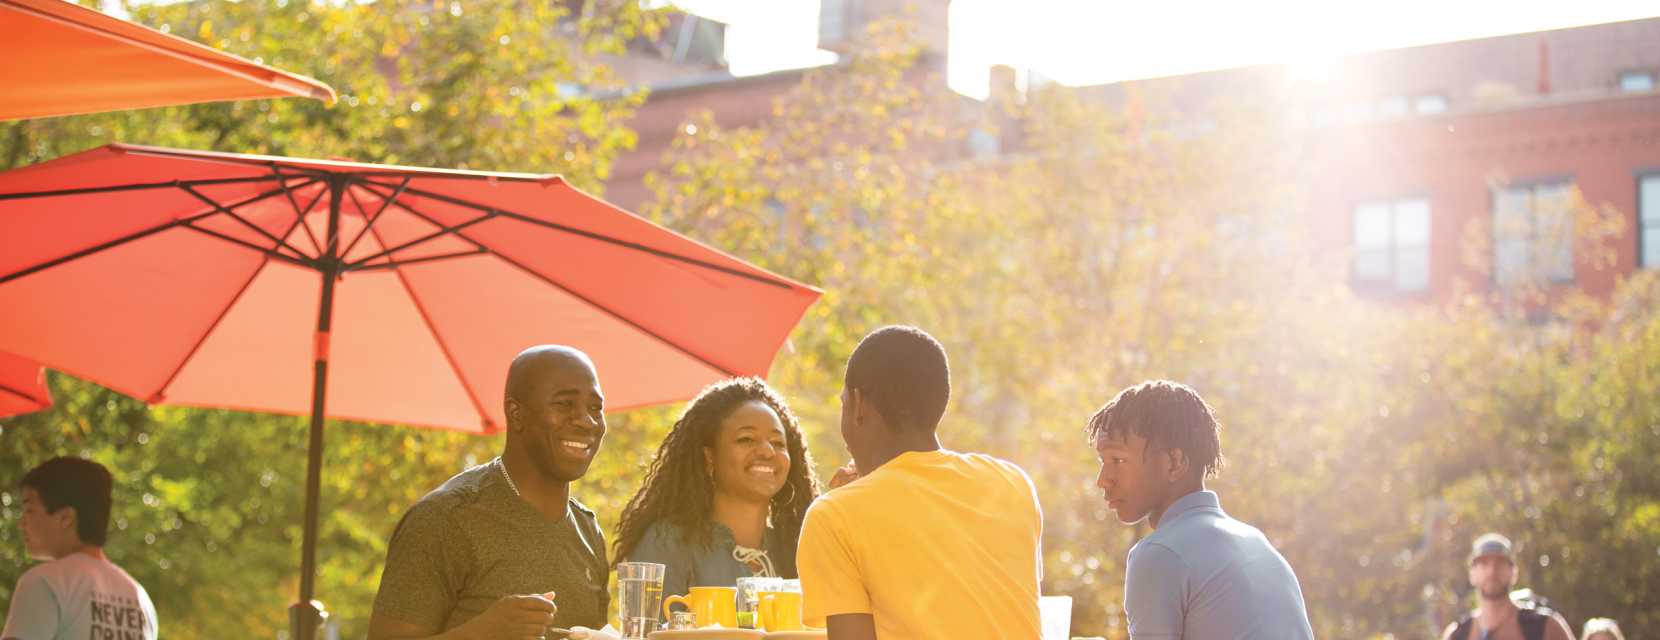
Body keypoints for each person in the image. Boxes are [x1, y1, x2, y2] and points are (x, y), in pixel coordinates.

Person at [797, 325, 1044, 640]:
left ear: (859, 405)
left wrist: (854, 504)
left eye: (843, 404)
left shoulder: (833, 516)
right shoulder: (1013, 483)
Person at [369, 345, 611, 639]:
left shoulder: (589, 531)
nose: (586, 421)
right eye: (563, 404)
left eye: (595, 408)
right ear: (516, 413)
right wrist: (483, 633)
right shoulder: (444, 519)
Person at [1091, 380, 1314, 640]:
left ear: (1174, 463)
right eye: (1102, 462)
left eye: (1118, 460)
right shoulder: (1255, 542)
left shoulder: (1160, 554)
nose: (1103, 479)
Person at [612, 377, 822, 620]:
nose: (767, 451)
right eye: (746, 439)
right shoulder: (667, 543)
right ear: (709, 457)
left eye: (777, 442)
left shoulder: (799, 546)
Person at [2, 456, 158, 640]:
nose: (22, 523)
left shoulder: (44, 582)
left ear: (65, 518)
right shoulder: (140, 599)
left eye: (29, 510)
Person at [1442, 533, 1573, 640]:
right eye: (1484, 564)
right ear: (1472, 574)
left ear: (1514, 573)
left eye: (1499, 563)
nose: (1491, 571)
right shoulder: (1456, 635)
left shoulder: (1545, 627)